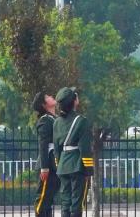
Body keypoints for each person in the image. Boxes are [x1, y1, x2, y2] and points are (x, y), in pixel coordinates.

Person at [53, 87, 94, 217]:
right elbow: (85, 148)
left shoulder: (57, 122)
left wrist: (59, 165)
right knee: (77, 204)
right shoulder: (82, 121)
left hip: (63, 165)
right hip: (77, 166)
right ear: (74, 101)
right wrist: (89, 169)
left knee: (65, 203)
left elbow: (56, 148)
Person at [32, 92, 59, 217]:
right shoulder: (45, 120)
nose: (51, 97)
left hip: (54, 166)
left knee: (48, 201)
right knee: (42, 200)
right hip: (47, 166)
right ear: (44, 104)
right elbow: (43, 145)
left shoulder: (54, 118)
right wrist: (44, 168)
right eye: (47, 97)